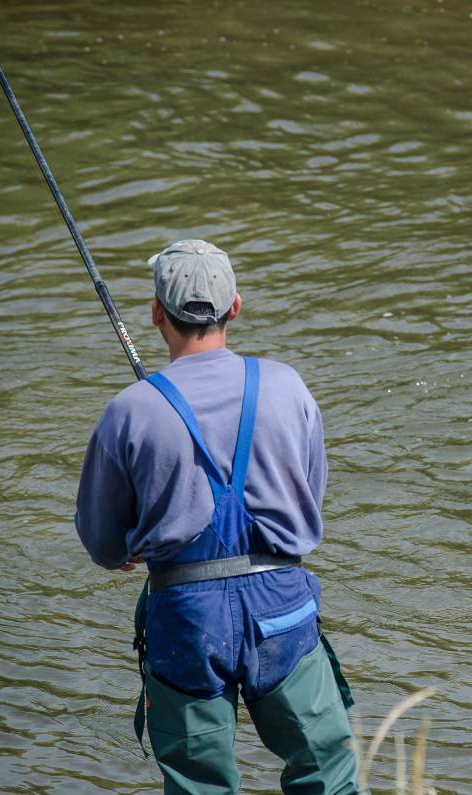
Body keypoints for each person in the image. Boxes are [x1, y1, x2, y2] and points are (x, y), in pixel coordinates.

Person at [74, 239, 360, 794]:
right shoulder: (287, 385)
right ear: (236, 307)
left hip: (185, 616)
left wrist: (127, 546)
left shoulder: (130, 410)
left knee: (198, 785)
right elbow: (310, 495)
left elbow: (102, 541)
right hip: (281, 605)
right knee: (328, 771)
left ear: (157, 313)